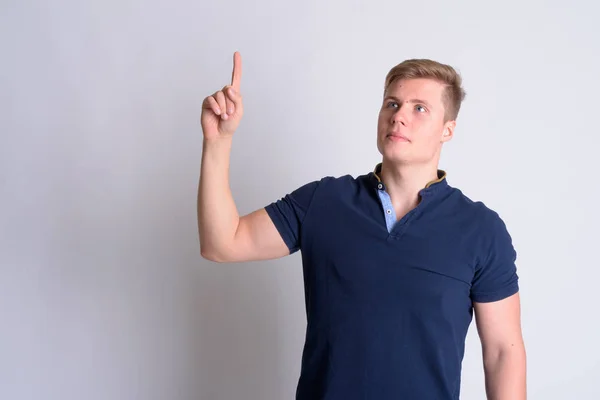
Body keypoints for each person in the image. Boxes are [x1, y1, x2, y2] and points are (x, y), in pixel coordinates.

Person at [198, 51, 527, 399]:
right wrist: (218, 142)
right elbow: (222, 243)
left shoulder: (480, 230)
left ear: (448, 130)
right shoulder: (323, 201)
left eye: (419, 108)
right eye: (392, 104)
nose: (399, 116)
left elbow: (503, 352)